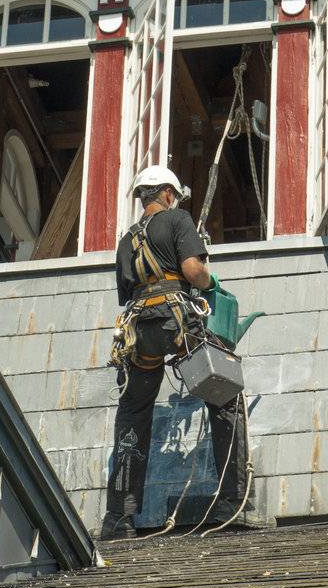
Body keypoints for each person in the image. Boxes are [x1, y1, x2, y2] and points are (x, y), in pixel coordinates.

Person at [100, 163, 248, 541]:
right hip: (176, 323)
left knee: (133, 414)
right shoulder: (178, 219)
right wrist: (210, 279)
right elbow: (192, 271)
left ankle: (119, 519)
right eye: (175, 195)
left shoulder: (125, 240)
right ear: (167, 193)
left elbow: (128, 293)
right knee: (225, 393)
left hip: (138, 332)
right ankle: (232, 506)